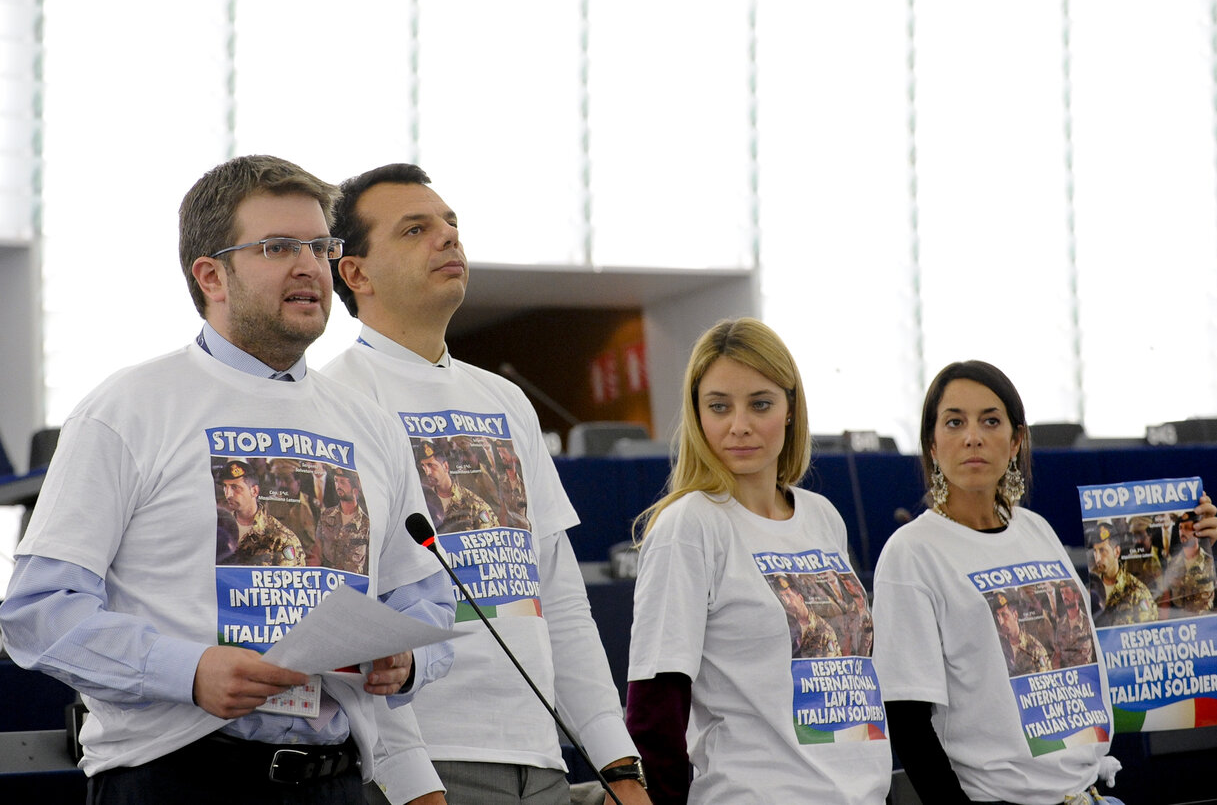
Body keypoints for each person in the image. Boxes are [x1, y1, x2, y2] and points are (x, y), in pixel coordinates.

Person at [0, 155, 456, 805]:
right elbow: (38, 613)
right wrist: (189, 670)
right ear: (211, 274)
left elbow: (427, 603)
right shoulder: (129, 408)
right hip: (176, 775)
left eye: (319, 247)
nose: (309, 266)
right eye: (277, 247)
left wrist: (406, 661)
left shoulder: (370, 427)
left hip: (337, 780)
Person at [322, 163, 649, 805]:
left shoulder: (505, 400)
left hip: (541, 756)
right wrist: (409, 780)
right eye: (416, 229)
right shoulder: (333, 402)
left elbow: (557, 595)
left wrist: (618, 763)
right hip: (428, 767)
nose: (448, 238)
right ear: (355, 272)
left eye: (451, 224)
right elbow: (346, 624)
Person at [872, 360, 1217, 804]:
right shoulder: (912, 551)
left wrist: (1194, 547)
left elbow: (1115, 636)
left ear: (1015, 441)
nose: (972, 436)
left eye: (990, 421)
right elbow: (907, 720)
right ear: (932, 445)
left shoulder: (1034, 528)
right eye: (954, 422)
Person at [625, 317, 892, 804]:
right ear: (697, 414)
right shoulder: (690, 525)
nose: (739, 425)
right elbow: (655, 706)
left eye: (760, 404)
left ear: (791, 409)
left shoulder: (823, 517)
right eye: (719, 407)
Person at [217, 459, 306, 566]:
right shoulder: (220, 529)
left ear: (254, 491)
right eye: (225, 487)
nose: (228, 494)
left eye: (235, 487)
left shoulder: (281, 539)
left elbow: (292, 580)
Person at [1088, 521, 1157, 627]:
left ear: (1116, 552)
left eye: (1102, 550)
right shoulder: (1090, 586)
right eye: (1095, 551)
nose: (1097, 558)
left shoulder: (1137, 592)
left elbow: (1148, 631)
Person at [315, 467, 371, 574]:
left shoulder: (366, 524)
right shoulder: (326, 516)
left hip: (352, 587)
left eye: (343, 482)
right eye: (336, 481)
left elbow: (369, 565)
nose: (338, 485)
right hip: (327, 581)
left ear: (355, 489)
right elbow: (317, 551)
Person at [1162, 511, 1217, 615]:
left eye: (1187, 528)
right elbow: (1167, 601)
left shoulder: (1210, 561)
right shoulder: (1172, 564)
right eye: (1180, 528)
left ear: (1197, 531)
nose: (1182, 532)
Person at [991, 591, 1050, 676]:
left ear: (1015, 615)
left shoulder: (1034, 648)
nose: (1001, 622)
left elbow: (1045, 678)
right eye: (998, 617)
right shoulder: (998, 646)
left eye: (1004, 615)